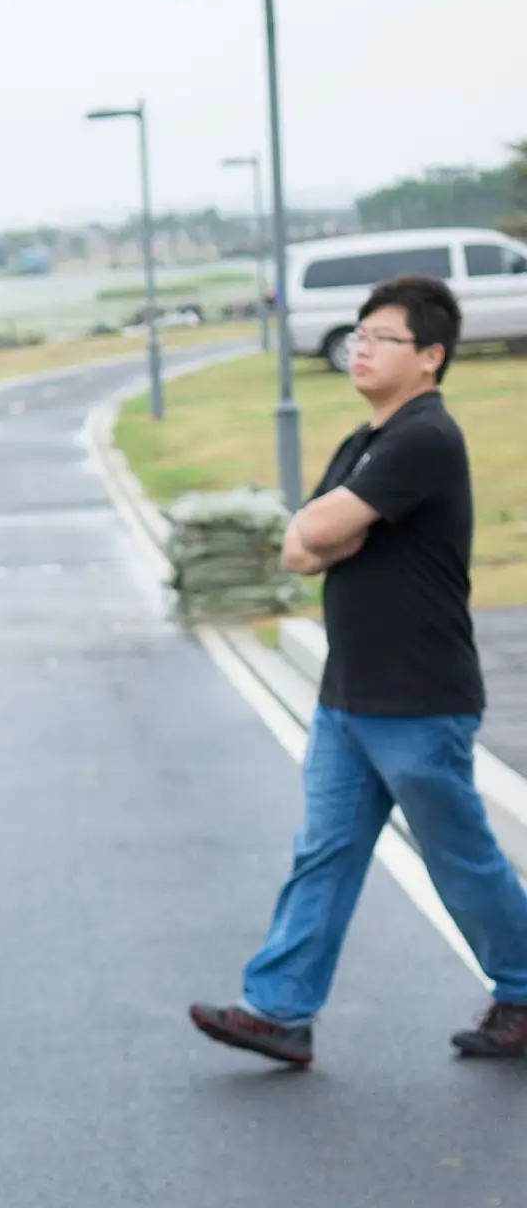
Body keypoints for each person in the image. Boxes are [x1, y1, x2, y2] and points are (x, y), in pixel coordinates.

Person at [190, 272, 527, 1067]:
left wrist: (335, 527)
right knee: (326, 853)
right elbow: (300, 544)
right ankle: (277, 1011)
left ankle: (522, 987)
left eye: (385, 338)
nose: (362, 348)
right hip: (350, 695)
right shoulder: (366, 439)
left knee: (458, 855)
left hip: (417, 695)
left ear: (432, 357)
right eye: (361, 335)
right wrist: (331, 529)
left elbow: (321, 528)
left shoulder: (423, 437)